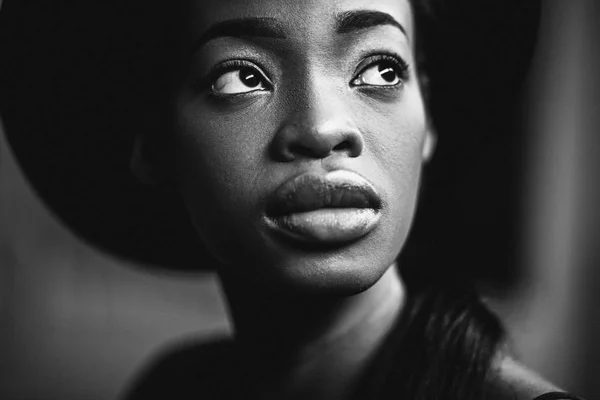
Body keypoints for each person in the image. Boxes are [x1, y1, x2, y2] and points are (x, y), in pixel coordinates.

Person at [0, 0, 586, 399]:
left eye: (381, 69)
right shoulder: (172, 388)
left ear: (428, 115)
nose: (325, 127)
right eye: (241, 78)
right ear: (154, 141)